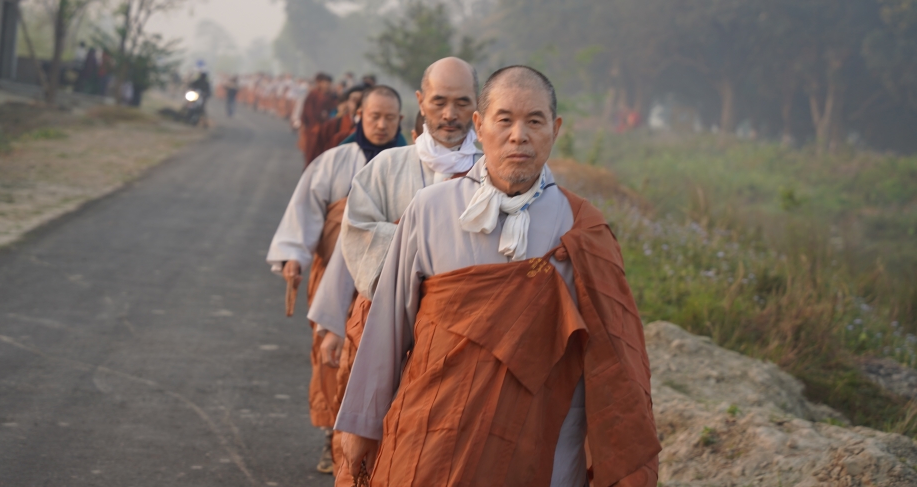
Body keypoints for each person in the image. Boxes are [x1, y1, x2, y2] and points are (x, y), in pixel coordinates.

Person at [335, 66, 660, 487]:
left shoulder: (581, 231)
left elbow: (614, 360)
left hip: (544, 446)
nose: (518, 135)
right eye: (504, 119)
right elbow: (388, 328)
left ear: (555, 129)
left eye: (535, 121)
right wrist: (361, 424)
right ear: (480, 126)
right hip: (435, 435)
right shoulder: (430, 210)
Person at [311, 57, 482, 486]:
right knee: (375, 443)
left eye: (462, 102)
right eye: (440, 101)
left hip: (462, 340)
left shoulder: (494, 171)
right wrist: (428, 255)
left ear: (477, 107)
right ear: (421, 103)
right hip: (385, 334)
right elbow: (356, 240)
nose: (450, 114)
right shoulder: (387, 167)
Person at [266, 85, 406, 475]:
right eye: (373, 116)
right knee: (330, 359)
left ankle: (378, 444)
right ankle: (333, 439)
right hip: (333, 275)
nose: (381, 124)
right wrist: (294, 255)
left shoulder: (411, 164)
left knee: (385, 360)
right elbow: (305, 211)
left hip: (388, 283)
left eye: (389, 118)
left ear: (401, 121)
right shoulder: (333, 162)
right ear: (358, 115)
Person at [301, 73, 338, 167]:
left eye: (328, 83)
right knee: (311, 152)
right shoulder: (313, 94)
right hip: (314, 127)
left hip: (328, 128)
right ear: (320, 83)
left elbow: (335, 109)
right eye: (324, 83)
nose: (326, 85)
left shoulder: (333, 96)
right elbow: (307, 110)